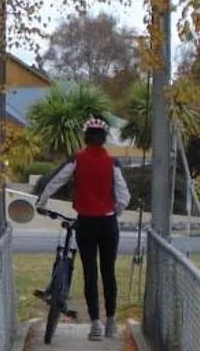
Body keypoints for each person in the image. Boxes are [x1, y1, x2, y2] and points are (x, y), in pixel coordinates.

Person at [36, 117, 131, 339]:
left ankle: (95, 324)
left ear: (86, 137)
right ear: (104, 139)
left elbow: (55, 181)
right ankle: (111, 322)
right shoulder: (112, 163)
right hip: (108, 224)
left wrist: (41, 203)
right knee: (109, 272)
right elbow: (124, 195)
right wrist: (114, 210)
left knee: (90, 272)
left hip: (86, 223)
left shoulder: (76, 159)